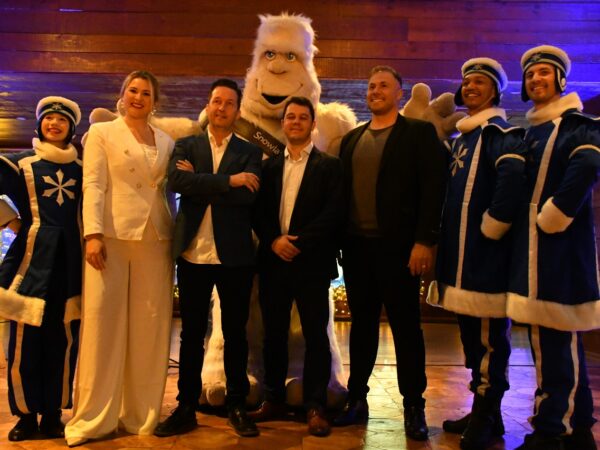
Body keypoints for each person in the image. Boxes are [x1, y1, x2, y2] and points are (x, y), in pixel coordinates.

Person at [333, 65, 447, 441]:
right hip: (357, 250)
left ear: (399, 93)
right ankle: (357, 399)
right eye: (371, 86)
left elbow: (433, 189)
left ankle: (413, 406)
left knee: (406, 330)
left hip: (400, 251)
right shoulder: (351, 139)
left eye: (384, 85)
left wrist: (424, 241)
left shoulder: (418, 133)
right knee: (361, 328)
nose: (375, 90)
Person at [64, 71, 175, 446]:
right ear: (122, 95)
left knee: (150, 327)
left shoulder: (167, 141)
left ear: (155, 101)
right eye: (133, 91)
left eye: (146, 93)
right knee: (103, 325)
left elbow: (168, 191)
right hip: (110, 236)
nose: (138, 97)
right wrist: (92, 234)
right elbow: (93, 184)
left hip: (157, 238)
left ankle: (140, 414)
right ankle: (94, 418)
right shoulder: (102, 133)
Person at [153, 78, 262, 438]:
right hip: (193, 255)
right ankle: (185, 406)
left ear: (237, 111)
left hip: (236, 257)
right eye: (217, 101)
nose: (222, 108)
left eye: (229, 103)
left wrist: (201, 182)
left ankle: (236, 405)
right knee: (191, 335)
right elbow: (177, 183)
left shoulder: (249, 152)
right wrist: (230, 181)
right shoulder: (187, 145)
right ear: (209, 104)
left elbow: (249, 197)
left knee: (236, 334)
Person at [506, 45, 600, 450]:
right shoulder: (533, 132)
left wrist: (554, 214)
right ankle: (578, 427)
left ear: (560, 79)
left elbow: (588, 164)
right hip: (534, 253)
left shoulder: (577, 125)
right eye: (530, 75)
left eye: (544, 72)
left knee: (557, 344)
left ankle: (550, 431)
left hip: (560, 251)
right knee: (555, 343)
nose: (535, 79)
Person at [430, 58, 526, 450]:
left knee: (489, 343)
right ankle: (488, 411)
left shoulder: (500, 134)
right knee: (472, 341)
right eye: (466, 82)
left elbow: (513, 179)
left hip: (486, 260)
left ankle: (486, 415)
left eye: (480, 82)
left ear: (495, 91)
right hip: (459, 260)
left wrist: (492, 226)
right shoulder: (463, 138)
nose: (470, 87)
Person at [249, 96, 343, 437]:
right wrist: (274, 240)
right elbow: (258, 211)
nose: (296, 122)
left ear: (312, 124)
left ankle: (315, 405)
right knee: (272, 334)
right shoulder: (268, 167)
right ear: (283, 123)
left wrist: (298, 243)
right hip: (273, 263)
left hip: (312, 264)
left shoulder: (330, 167)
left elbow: (334, 213)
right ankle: (273, 398)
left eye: (303, 117)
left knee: (316, 336)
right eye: (291, 117)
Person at [0, 96, 82, 441]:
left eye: (62, 120)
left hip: (70, 265)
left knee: (62, 342)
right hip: (30, 263)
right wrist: (11, 220)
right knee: (24, 345)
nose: (55, 124)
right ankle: (25, 415)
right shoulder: (20, 163)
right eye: (49, 118)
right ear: (39, 124)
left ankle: (52, 414)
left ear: (71, 128)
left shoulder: (83, 167)